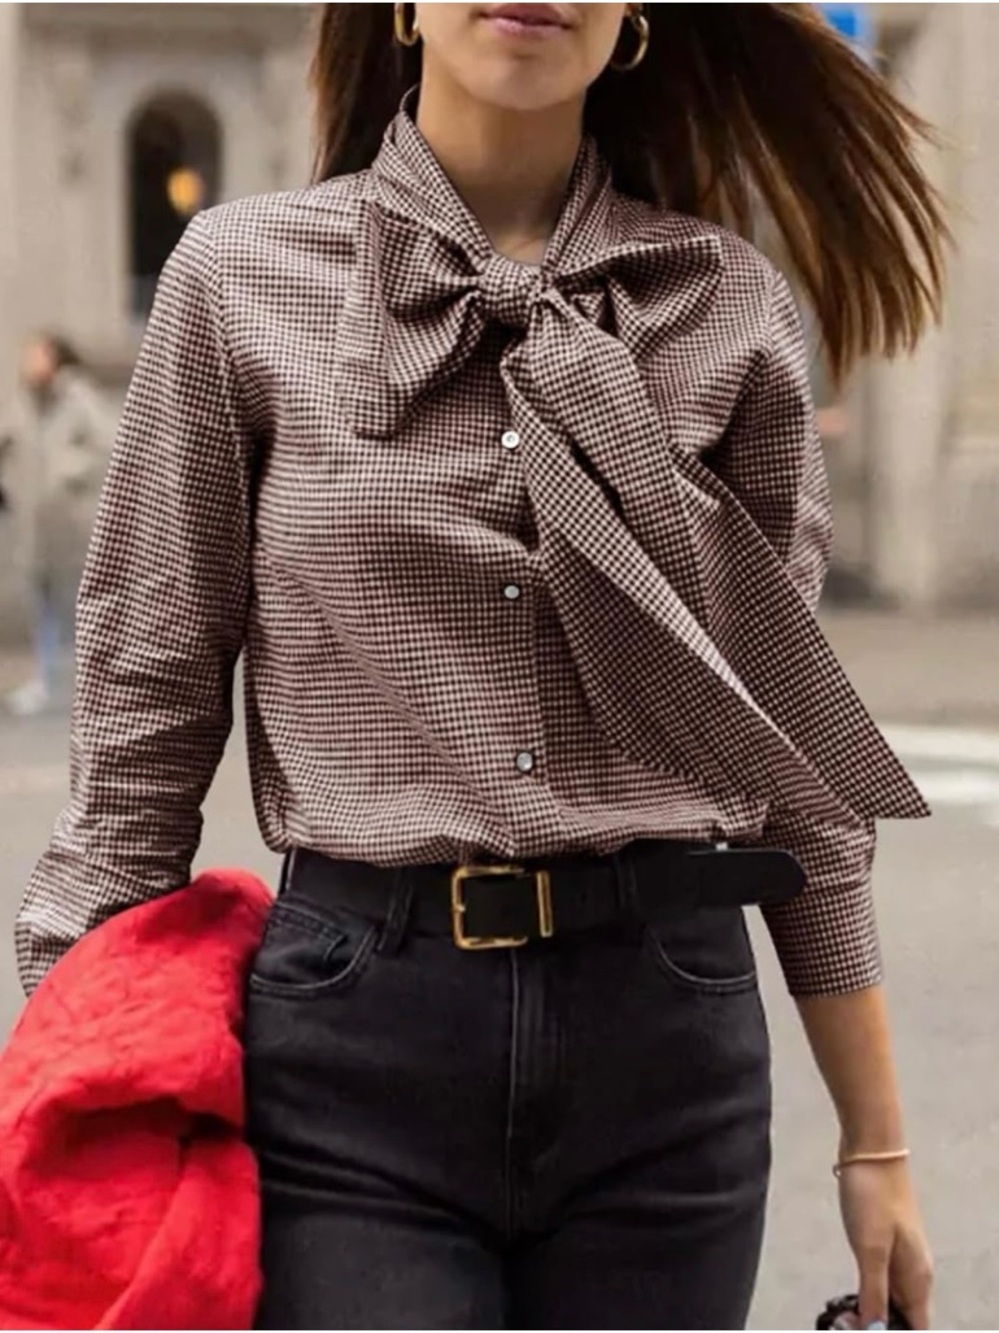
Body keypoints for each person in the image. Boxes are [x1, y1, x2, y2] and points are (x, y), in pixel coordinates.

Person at [15, 4, 947, 1329]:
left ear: (633, 22)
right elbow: (146, 701)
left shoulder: (724, 303)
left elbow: (786, 750)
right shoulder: (237, 279)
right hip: (355, 1050)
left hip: (665, 1052)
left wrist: (875, 1142)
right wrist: (73, 1083)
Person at [1, 333, 112, 716]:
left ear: (55, 358)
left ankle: (86, 688)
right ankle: (46, 682)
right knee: (42, 608)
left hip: (72, 524)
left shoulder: (77, 397)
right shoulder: (25, 402)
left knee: (76, 609)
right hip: (36, 525)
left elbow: (107, 444)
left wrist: (66, 470)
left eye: (37, 354)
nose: (29, 361)